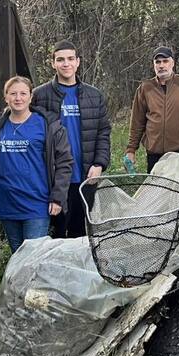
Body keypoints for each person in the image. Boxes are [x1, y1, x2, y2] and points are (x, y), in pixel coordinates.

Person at [32, 40, 111, 238]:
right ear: (53, 64)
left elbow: (103, 132)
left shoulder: (94, 96)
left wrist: (100, 163)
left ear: (78, 62)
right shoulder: (40, 95)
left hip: (85, 175)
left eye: (70, 59)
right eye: (60, 60)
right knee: (55, 234)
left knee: (81, 233)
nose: (65, 64)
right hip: (54, 178)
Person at [0, 76, 73, 254]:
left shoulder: (47, 124)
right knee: (17, 255)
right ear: (6, 97)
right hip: (7, 202)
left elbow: (64, 162)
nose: (18, 98)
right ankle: (19, 284)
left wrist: (57, 197)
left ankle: (36, 284)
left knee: (33, 257)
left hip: (36, 203)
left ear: (31, 96)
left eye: (23, 93)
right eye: (13, 93)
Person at [125, 47, 179, 173]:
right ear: (154, 65)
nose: (161, 65)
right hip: (154, 153)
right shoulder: (145, 88)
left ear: (172, 63)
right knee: (156, 190)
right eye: (158, 62)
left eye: (165, 61)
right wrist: (131, 150)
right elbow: (137, 122)